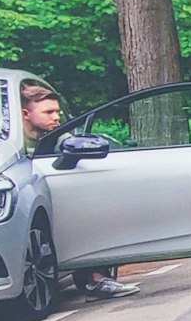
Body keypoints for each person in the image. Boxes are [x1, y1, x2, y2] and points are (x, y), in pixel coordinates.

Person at [20, 82, 138, 300]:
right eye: (48, 112)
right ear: (26, 114)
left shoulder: (61, 138)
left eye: (57, 112)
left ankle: (96, 278)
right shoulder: (9, 146)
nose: (56, 117)